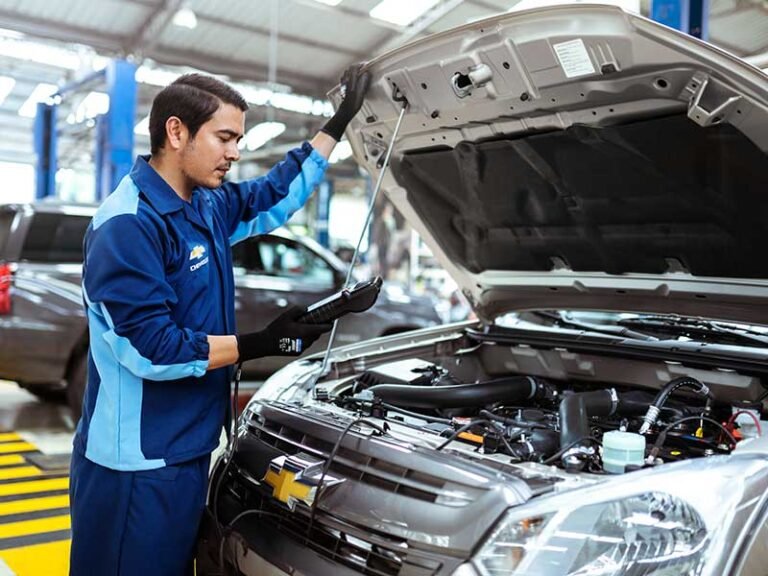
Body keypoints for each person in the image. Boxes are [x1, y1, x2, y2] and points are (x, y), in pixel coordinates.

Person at [68, 65, 370, 575]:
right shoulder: (128, 224)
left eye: (239, 139)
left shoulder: (206, 205)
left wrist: (337, 124)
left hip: (187, 447)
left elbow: (276, 194)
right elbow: (150, 347)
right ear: (177, 131)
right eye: (225, 137)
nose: (235, 152)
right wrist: (259, 343)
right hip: (135, 466)